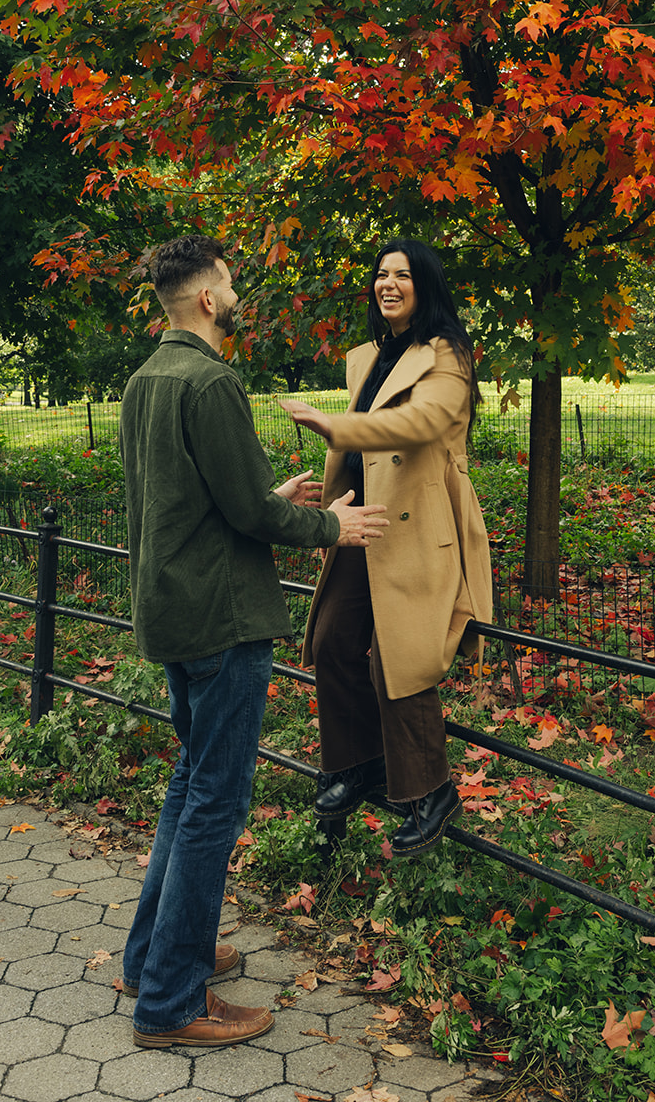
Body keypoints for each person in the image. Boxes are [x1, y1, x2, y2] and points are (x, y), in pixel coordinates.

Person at [119, 235, 387, 1050]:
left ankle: (156, 957)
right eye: (229, 283)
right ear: (207, 299)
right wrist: (329, 524)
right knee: (214, 803)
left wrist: (268, 496)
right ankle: (169, 1003)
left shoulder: (146, 380)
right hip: (223, 620)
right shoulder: (210, 380)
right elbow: (252, 518)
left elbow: (192, 499)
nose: (236, 294)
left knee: (186, 787)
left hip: (171, 609)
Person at [281, 239, 492, 858]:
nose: (388, 283)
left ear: (425, 285)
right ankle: (359, 764)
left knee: (401, 658)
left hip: (420, 525)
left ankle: (432, 790)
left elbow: (422, 423)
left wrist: (334, 426)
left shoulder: (447, 355)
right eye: (381, 274)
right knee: (330, 641)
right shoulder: (366, 358)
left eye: (403, 274)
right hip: (364, 520)